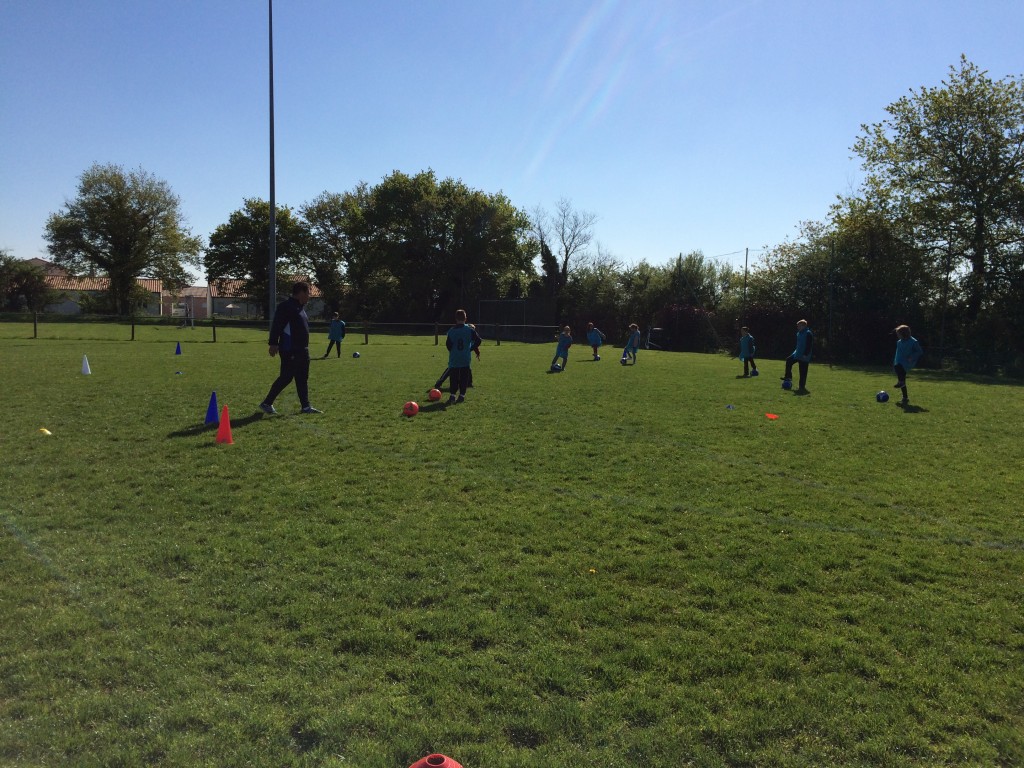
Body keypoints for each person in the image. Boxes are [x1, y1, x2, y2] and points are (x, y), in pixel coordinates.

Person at [259, 281, 322, 414]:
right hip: (290, 348)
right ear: (301, 292)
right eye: (308, 292)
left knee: (302, 378)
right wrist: (273, 343)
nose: (309, 296)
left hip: (302, 349)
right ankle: (267, 403)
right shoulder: (286, 307)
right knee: (286, 377)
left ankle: (306, 407)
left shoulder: (301, 308)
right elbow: (277, 325)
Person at [444, 309, 481, 404]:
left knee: (454, 377)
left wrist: (453, 351)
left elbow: (448, 345)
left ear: (456, 319)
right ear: (465, 318)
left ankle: (452, 396)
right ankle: (462, 395)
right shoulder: (470, 330)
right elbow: (478, 340)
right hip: (465, 358)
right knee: (464, 377)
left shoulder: (451, 331)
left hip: (454, 358)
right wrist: (470, 348)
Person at [893, 324, 923, 406]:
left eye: (898, 334)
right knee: (902, 379)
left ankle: (901, 383)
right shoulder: (899, 342)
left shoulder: (913, 341)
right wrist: (896, 361)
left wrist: (912, 357)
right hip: (899, 361)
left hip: (908, 361)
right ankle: (905, 397)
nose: (897, 335)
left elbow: (919, 351)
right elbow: (898, 353)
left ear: (904, 333)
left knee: (901, 378)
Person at [782, 319, 813, 392]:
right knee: (788, 360)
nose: (797, 327)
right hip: (797, 354)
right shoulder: (798, 333)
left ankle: (802, 387)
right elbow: (798, 345)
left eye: (799, 326)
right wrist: (794, 353)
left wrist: (805, 354)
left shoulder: (808, 333)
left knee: (803, 372)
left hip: (804, 356)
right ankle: (788, 377)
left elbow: (809, 345)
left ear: (803, 326)